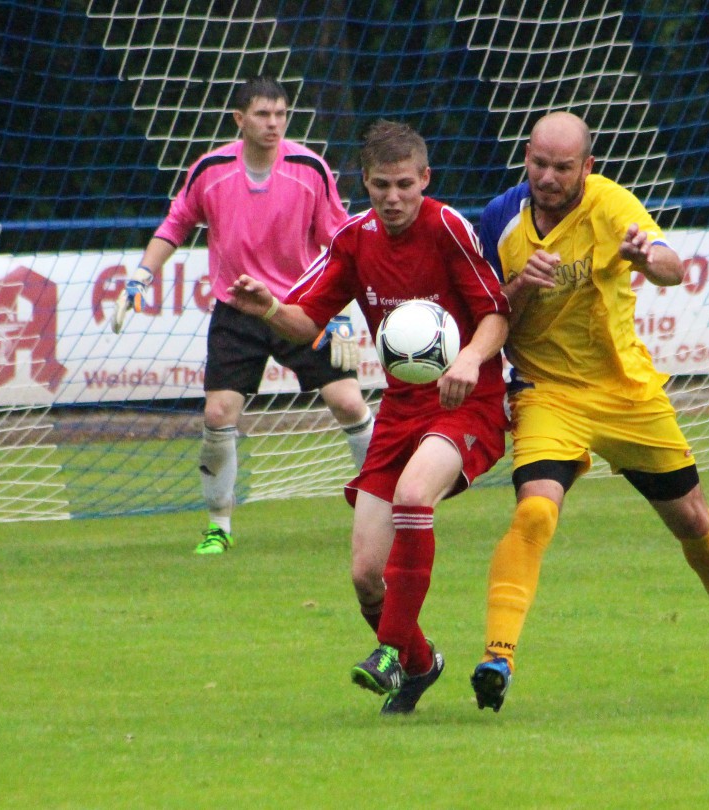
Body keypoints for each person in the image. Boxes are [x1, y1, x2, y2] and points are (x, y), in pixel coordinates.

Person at [470, 111, 709, 712]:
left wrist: (642, 257)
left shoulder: (610, 206)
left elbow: (671, 265)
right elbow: (492, 317)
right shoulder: (500, 221)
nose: (548, 178)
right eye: (538, 164)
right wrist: (522, 285)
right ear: (525, 158)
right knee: (533, 511)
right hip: (546, 392)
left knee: (692, 522)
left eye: (562, 167)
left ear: (588, 165)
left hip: (626, 393)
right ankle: (497, 656)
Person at [227, 119, 511, 714]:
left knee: (413, 496)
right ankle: (418, 663)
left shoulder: (447, 229)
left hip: (466, 403)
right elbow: (308, 320)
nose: (393, 197)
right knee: (364, 576)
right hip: (401, 412)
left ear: (425, 179)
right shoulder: (355, 240)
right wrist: (271, 309)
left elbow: (495, 315)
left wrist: (469, 360)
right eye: (381, 185)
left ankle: (385, 653)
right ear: (365, 182)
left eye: (405, 184)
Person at [113, 76, 374, 555]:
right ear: (239, 119)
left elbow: (339, 246)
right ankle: (219, 526)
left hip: (302, 307)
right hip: (237, 311)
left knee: (350, 404)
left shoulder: (309, 168)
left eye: (280, 114)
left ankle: (385, 505)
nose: (273, 124)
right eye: (262, 114)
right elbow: (175, 225)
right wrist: (140, 279)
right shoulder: (211, 169)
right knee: (217, 414)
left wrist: (338, 316)